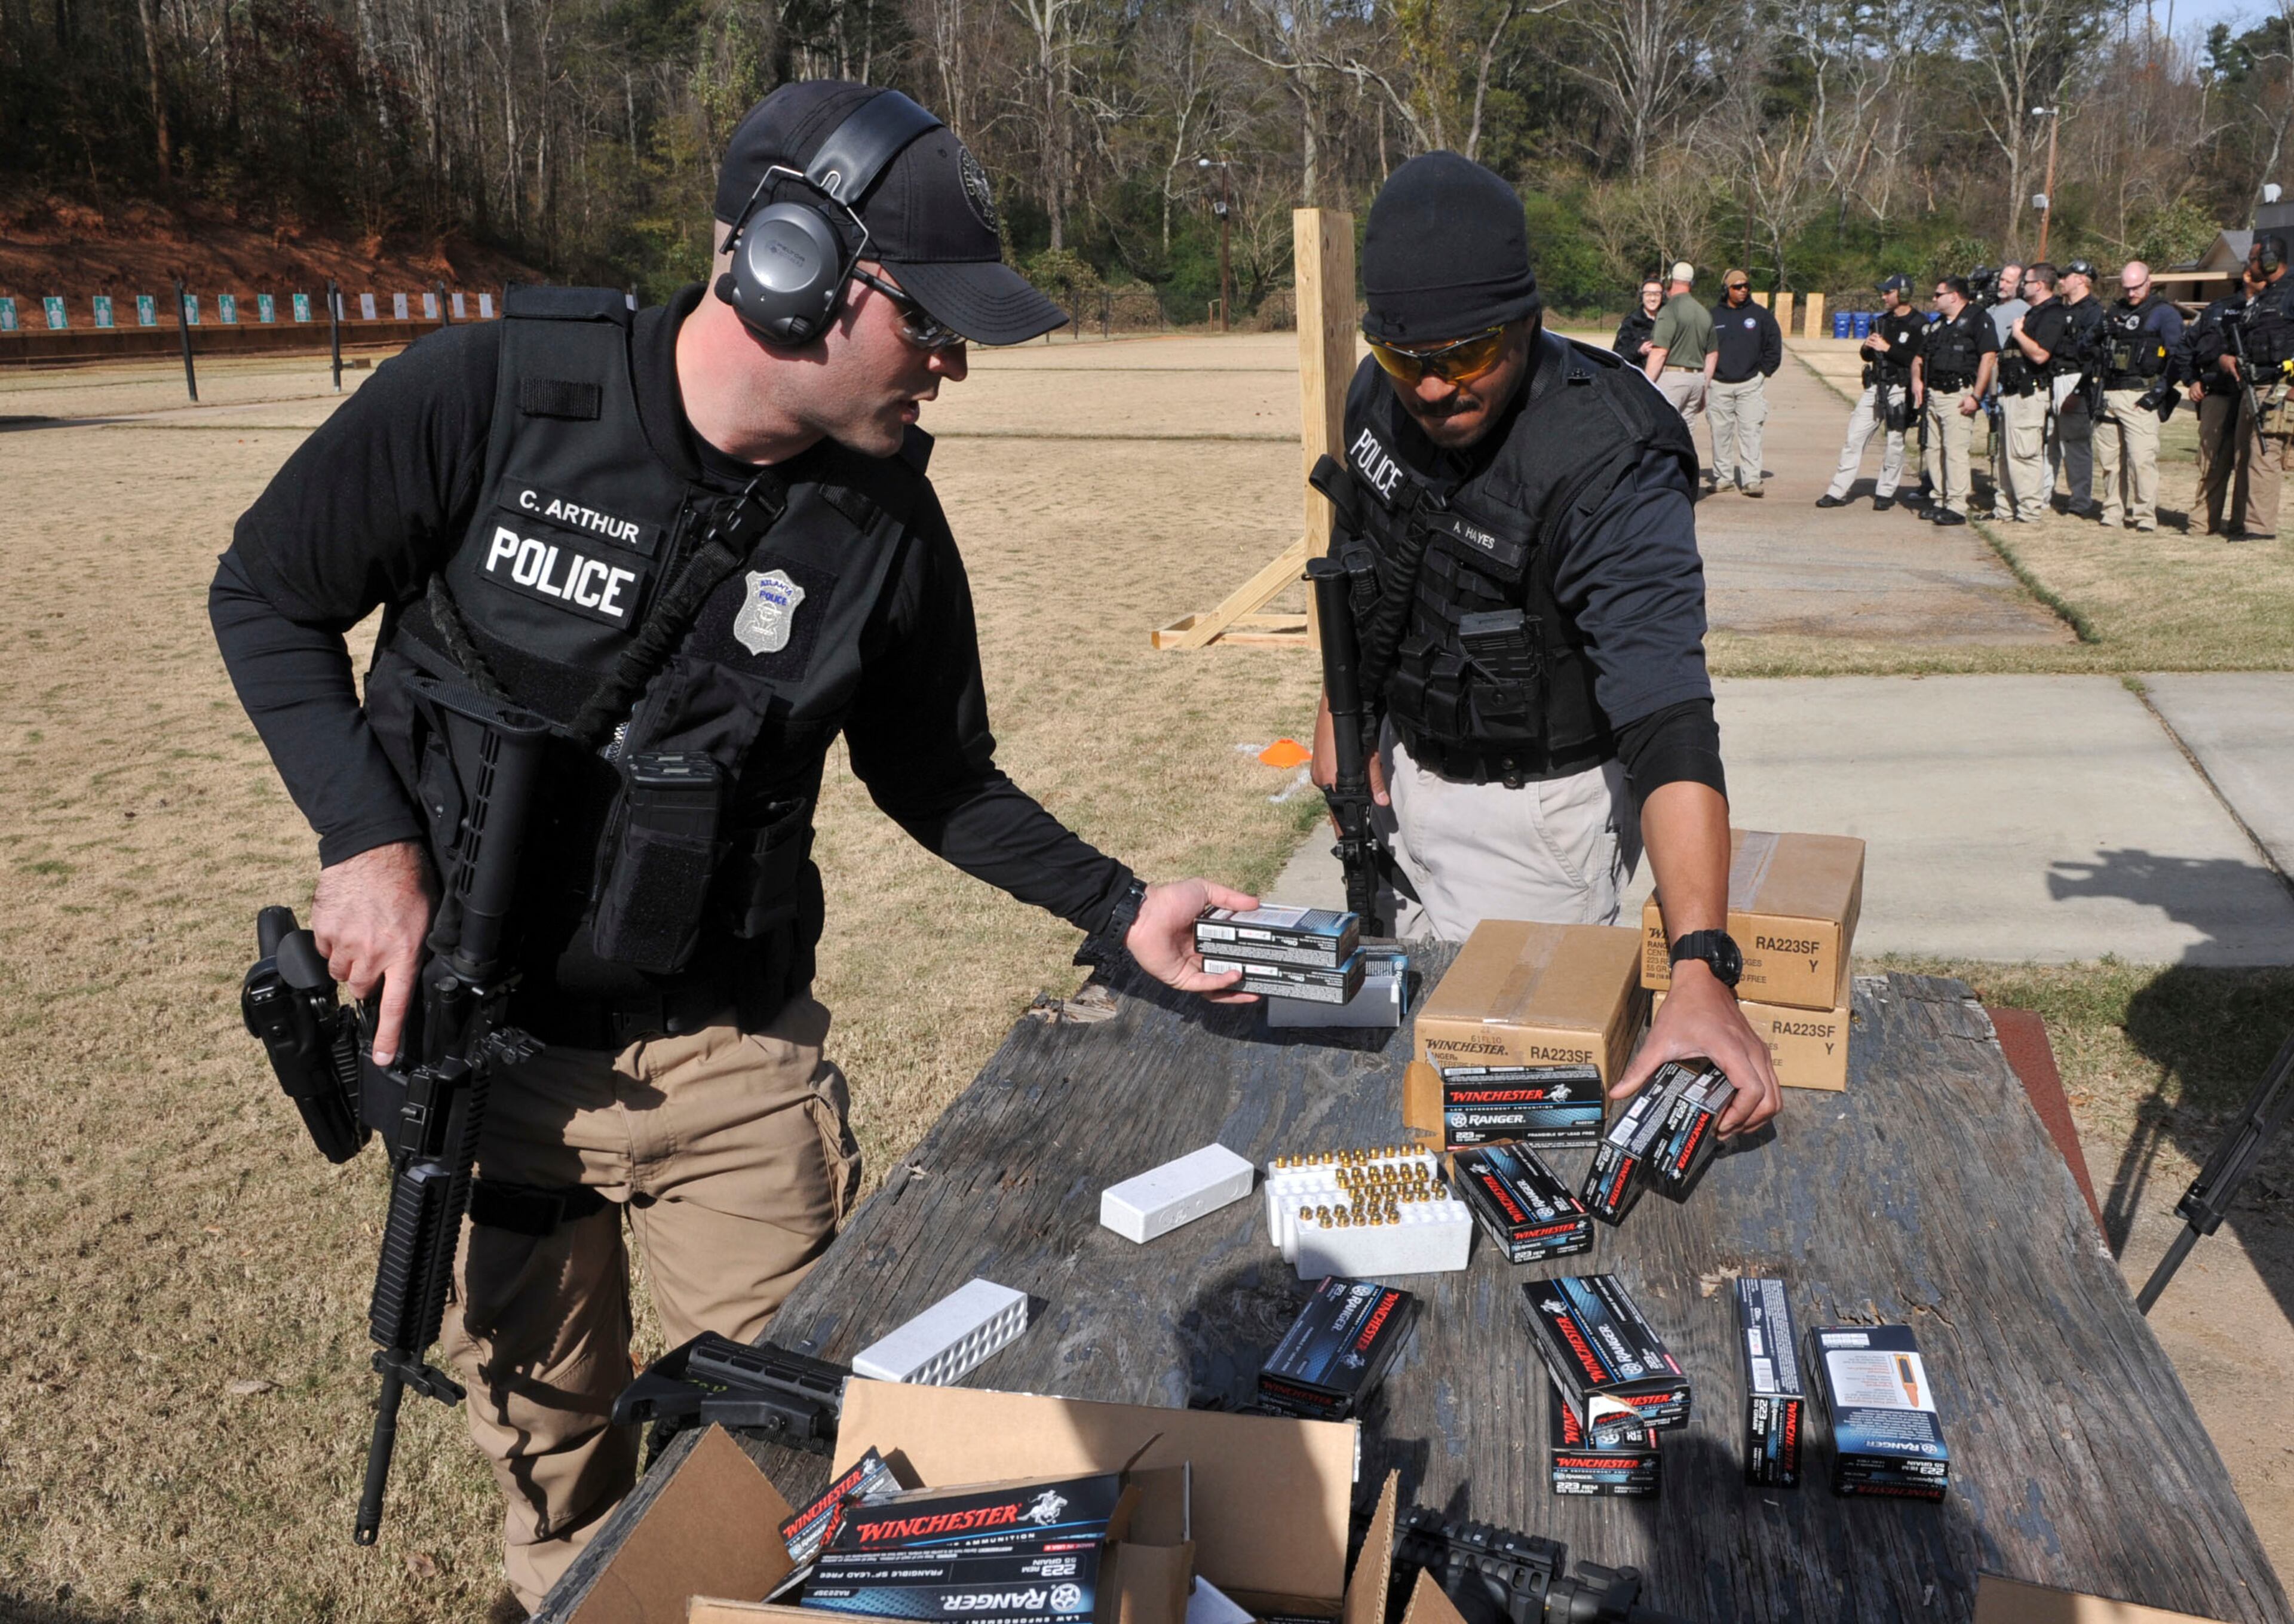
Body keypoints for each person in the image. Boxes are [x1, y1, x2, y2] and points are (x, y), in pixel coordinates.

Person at [210, 80, 1259, 1618]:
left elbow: (935, 775)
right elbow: (264, 592)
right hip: (490, 1069)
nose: (954, 362)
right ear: (789, 265)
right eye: (932, 320)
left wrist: (1120, 904)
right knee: (553, 1456)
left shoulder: (886, 526)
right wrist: (365, 840)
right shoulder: (488, 394)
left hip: (732, 1063)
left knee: (777, 1461)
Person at [1306, 150, 1782, 1138]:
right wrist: (1341, 716)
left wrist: (1701, 963)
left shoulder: (1610, 457)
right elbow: (1363, 557)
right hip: (1400, 782)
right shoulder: (1376, 394)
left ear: (1528, 317)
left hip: (1534, 827)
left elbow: (1667, 716)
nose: (1432, 389)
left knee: (1512, 1140)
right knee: (1395, 1085)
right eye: (1406, 358)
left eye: (1467, 356)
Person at [1815, 274, 1924, 511]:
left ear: (1902, 294)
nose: (1883, 297)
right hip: (1876, 386)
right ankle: (1838, 490)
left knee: (1895, 442)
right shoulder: (1882, 321)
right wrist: (1867, 347)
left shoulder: (1919, 325)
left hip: (1900, 388)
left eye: (1888, 293)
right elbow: (1868, 355)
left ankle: (1885, 492)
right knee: (1854, 438)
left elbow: (1917, 359)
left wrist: (1889, 348)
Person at [2091, 261, 2184, 533]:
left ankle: (2145, 516)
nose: (2131, 293)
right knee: (2110, 461)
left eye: (2137, 287)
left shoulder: (2164, 314)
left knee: (2141, 460)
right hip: (2109, 393)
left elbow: (2178, 356)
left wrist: (2158, 393)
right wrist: (2099, 332)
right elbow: (2089, 346)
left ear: (2149, 283)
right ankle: (2112, 511)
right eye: (2127, 288)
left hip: (2141, 395)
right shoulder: (2114, 312)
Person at [2222, 232, 2294, 541]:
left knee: (2265, 455)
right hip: (2252, 385)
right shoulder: (2264, 296)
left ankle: (2260, 528)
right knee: (2244, 455)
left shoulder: (2291, 292)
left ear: (2269, 260)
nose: (2249, 266)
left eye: (2253, 259)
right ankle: (2240, 523)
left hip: (2279, 385)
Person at [1912, 275, 1997, 526]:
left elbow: (1989, 357)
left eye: (1938, 295)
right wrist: (1917, 380)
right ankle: (1940, 498)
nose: (1934, 299)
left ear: (1954, 296)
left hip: (1959, 396)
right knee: (1934, 450)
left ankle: (1957, 505)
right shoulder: (1939, 325)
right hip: (1934, 394)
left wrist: (1977, 396)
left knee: (1955, 451)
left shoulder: (1977, 319)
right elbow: (1919, 357)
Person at [2186, 268, 2260, 536]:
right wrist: (2193, 379)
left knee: (2248, 461)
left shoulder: (2276, 310)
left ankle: (2241, 525)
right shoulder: (2219, 309)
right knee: (2212, 460)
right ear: (2248, 276)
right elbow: (2188, 347)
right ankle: (2202, 524)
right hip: (2217, 393)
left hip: (2252, 395)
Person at [2002, 262, 2069, 521]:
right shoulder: (2033, 313)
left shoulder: (2053, 314)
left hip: (2029, 395)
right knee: (2006, 456)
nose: (2022, 286)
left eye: (2026, 282)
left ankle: (2029, 510)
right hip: (2012, 393)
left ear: (2040, 285)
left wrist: (2019, 334)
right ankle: (2005, 508)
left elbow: (2041, 355)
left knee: (2025, 453)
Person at [1706, 269, 1781, 496]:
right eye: (1737, 287)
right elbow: (1702, 347)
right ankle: (1724, 478)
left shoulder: (1761, 315)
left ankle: (1751, 481)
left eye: (1746, 286)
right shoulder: (1712, 316)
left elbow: (1773, 346)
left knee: (1751, 432)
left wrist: (1763, 373)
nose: (1743, 290)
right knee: (1720, 434)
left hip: (1750, 384)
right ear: (1726, 289)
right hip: (1718, 385)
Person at [1643, 259, 1719, 461]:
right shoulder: (1704, 313)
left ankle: (1662, 480)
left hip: (1673, 379)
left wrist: (1645, 384)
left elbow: (1659, 352)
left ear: (1670, 281)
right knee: (1685, 435)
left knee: (1662, 432)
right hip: (1697, 379)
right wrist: (1704, 387)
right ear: (1691, 283)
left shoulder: (1670, 310)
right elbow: (1712, 355)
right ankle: (1684, 479)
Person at [2053, 259, 2106, 517]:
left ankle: (2080, 501)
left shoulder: (2093, 312)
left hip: (2076, 378)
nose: (2062, 280)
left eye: (2067, 276)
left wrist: (2078, 391)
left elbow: (2094, 356)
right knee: (2049, 441)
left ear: (2083, 280)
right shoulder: (2060, 309)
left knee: (2075, 443)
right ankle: (2043, 495)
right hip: (2055, 377)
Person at [1614, 278, 1663, 361]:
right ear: (1642, 297)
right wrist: (1639, 351)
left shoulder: (1670, 320)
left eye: (1657, 295)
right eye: (1648, 294)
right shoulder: (1631, 322)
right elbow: (1618, 355)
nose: (1653, 299)